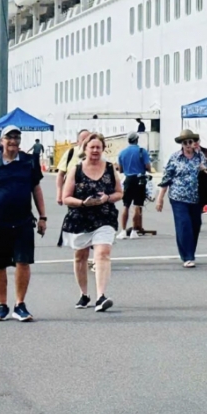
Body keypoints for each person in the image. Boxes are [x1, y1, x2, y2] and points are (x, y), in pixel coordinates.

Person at [0, 125, 47, 322]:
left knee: (23, 262)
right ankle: (2, 305)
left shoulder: (29, 162)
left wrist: (43, 217)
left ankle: (20, 304)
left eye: (17, 137)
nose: (13, 141)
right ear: (1, 141)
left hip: (22, 221)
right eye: (9, 137)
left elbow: (36, 189)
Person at [61, 133, 120, 312]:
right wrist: (82, 203)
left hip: (104, 216)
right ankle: (84, 294)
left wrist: (107, 198)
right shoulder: (76, 170)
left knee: (103, 253)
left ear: (103, 149)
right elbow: (66, 198)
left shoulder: (110, 169)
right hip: (80, 218)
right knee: (80, 256)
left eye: (98, 147)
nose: (95, 150)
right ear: (85, 149)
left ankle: (101, 296)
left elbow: (119, 193)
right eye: (92, 147)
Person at [156, 130, 207, 268]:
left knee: (195, 225)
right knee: (184, 224)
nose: (188, 145)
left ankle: (188, 252)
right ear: (181, 144)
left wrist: (203, 170)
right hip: (178, 197)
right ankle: (188, 256)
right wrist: (160, 198)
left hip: (196, 197)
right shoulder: (175, 158)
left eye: (191, 142)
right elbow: (166, 178)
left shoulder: (200, 156)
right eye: (185, 142)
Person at [117, 132, 151, 239]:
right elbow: (148, 167)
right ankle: (134, 231)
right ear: (137, 139)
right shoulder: (142, 151)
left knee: (126, 205)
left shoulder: (122, 153)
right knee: (137, 205)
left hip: (128, 179)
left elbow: (121, 169)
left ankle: (123, 230)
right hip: (140, 179)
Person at [56, 129, 90, 207]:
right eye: (84, 139)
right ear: (78, 142)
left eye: (89, 139)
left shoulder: (95, 153)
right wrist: (59, 193)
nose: (86, 142)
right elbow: (61, 175)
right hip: (73, 196)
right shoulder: (70, 153)